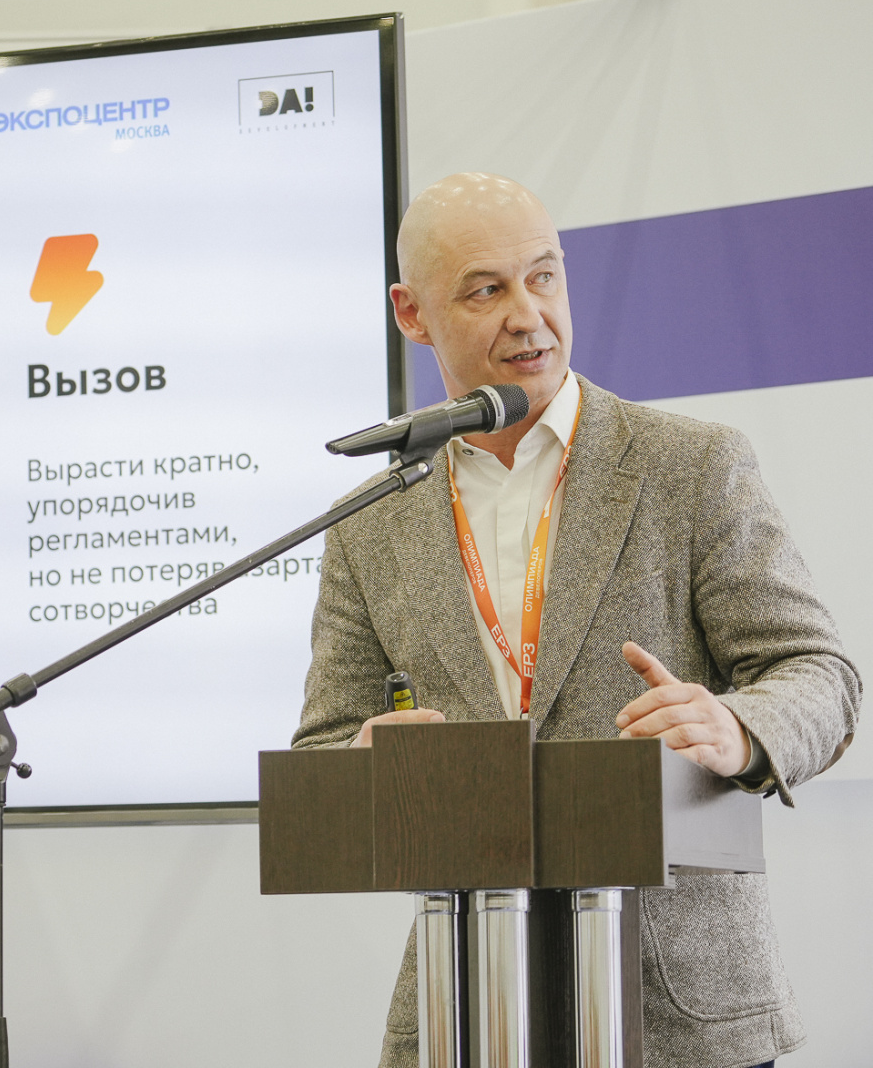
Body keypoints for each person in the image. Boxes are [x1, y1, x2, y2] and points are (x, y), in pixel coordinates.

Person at [292, 173, 860, 1068]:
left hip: (679, 1007)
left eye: (543, 277)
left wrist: (736, 725)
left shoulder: (689, 466)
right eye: (485, 290)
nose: (528, 316)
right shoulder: (370, 521)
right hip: (464, 997)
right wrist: (362, 765)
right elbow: (327, 745)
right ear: (411, 313)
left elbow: (817, 673)